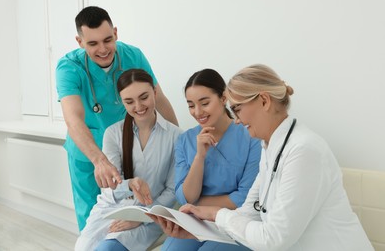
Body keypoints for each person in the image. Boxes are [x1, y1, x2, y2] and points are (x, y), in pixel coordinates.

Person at [150, 64, 374, 251]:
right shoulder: (270, 148)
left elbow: (274, 238)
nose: (236, 119)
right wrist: (198, 227)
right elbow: (249, 213)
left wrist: (217, 214)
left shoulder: (304, 150)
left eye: (237, 109)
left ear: (264, 101)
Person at [56, 6, 178, 231]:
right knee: (92, 219)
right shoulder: (69, 67)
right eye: (92, 44)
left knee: (125, 216)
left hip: (125, 147)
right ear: (80, 41)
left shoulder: (133, 56)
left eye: (107, 40)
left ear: (116, 32)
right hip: (87, 152)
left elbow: (158, 98)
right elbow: (73, 119)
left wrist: (179, 139)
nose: (103, 49)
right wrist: (99, 160)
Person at [74, 69, 182, 250]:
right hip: (110, 209)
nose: (138, 106)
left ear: (155, 93)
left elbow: (172, 191)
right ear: (121, 102)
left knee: (107, 248)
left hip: (151, 214)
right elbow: (110, 187)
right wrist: (130, 184)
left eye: (144, 97)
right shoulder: (113, 134)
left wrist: (142, 217)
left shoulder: (177, 136)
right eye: (129, 101)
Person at [161, 69, 261, 251]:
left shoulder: (251, 136)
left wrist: (197, 205)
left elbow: (245, 197)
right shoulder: (185, 140)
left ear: (224, 98)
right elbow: (185, 197)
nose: (197, 112)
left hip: (237, 220)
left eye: (204, 103)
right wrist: (200, 156)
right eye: (191, 105)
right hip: (197, 221)